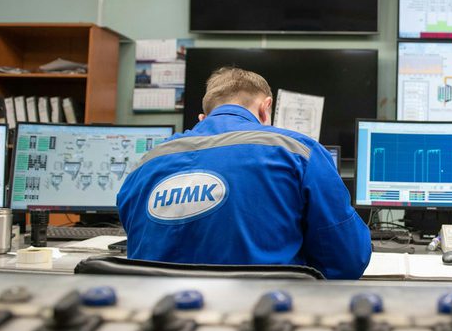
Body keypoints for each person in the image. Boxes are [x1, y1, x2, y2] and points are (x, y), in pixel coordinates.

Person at [117, 67, 371, 280]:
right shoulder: (300, 152)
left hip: (164, 322)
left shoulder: (144, 165)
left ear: (203, 117)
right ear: (265, 108)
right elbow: (346, 260)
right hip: (263, 320)